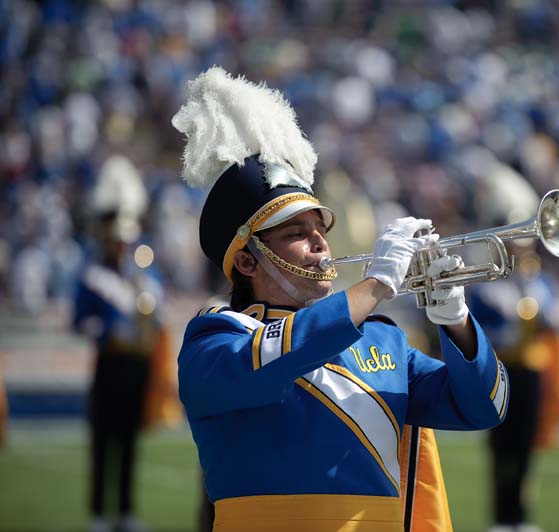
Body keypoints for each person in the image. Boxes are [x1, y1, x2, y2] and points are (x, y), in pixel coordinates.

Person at [173, 67, 509, 531]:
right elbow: (277, 355)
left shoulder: (384, 344)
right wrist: (374, 286)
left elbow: (486, 406)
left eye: (319, 230)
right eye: (296, 233)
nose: (320, 244)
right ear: (247, 263)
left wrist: (455, 318)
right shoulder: (215, 340)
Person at [73, 156, 162, 532]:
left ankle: (125, 511)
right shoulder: (92, 274)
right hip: (109, 363)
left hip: (137, 367)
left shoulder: (144, 272)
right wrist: (107, 334)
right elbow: (80, 321)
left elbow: (156, 313)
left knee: (128, 440)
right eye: (117, 241)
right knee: (102, 441)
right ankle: (98, 513)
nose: (122, 247)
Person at [470, 242, 559, 532]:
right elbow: (478, 327)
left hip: (532, 371)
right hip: (502, 369)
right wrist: (506, 333)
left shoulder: (541, 283)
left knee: (526, 446)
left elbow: (557, 320)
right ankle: (501, 517)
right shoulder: (489, 286)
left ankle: (522, 515)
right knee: (501, 447)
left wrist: (544, 313)